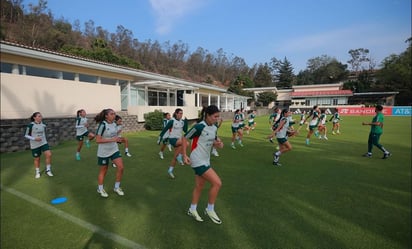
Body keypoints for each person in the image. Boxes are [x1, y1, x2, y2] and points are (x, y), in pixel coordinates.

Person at [182, 105, 224, 224]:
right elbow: (185, 138)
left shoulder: (214, 127)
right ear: (208, 115)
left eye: (218, 116)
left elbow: (214, 141)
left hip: (206, 160)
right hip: (197, 160)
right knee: (217, 183)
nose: (217, 119)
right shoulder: (199, 126)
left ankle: (192, 209)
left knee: (199, 186)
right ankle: (210, 209)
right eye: (215, 116)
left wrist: (219, 144)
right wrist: (185, 155)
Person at [94, 109, 125, 197]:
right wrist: (112, 139)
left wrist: (118, 139)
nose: (114, 115)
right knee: (104, 171)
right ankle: (100, 189)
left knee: (121, 167)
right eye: (111, 114)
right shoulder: (102, 125)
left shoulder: (114, 124)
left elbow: (114, 136)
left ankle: (116, 187)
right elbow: (98, 140)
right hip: (103, 151)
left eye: (114, 114)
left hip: (114, 149)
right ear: (106, 116)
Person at [157, 108, 188, 179]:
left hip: (178, 140)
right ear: (176, 113)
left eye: (182, 113)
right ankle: (181, 156)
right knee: (186, 142)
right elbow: (165, 129)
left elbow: (185, 130)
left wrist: (186, 122)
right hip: (172, 139)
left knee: (175, 156)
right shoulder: (172, 121)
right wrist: (160, 137)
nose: (181, 115)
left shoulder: (182, 121)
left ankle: (170, 170)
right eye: (180, 113)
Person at [24, 112, 54, 178]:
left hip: (43, 143)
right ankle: (37, 172)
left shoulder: (43, 124)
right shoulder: (31, 125)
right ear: (35, 117)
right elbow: (26, 135)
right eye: (39, 116)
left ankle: (48, 170)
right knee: (37, 159)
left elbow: (44, 132)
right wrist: (34, 138)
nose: (41, 117)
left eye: (41, 116)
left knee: (49, 154)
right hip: (35, 145)